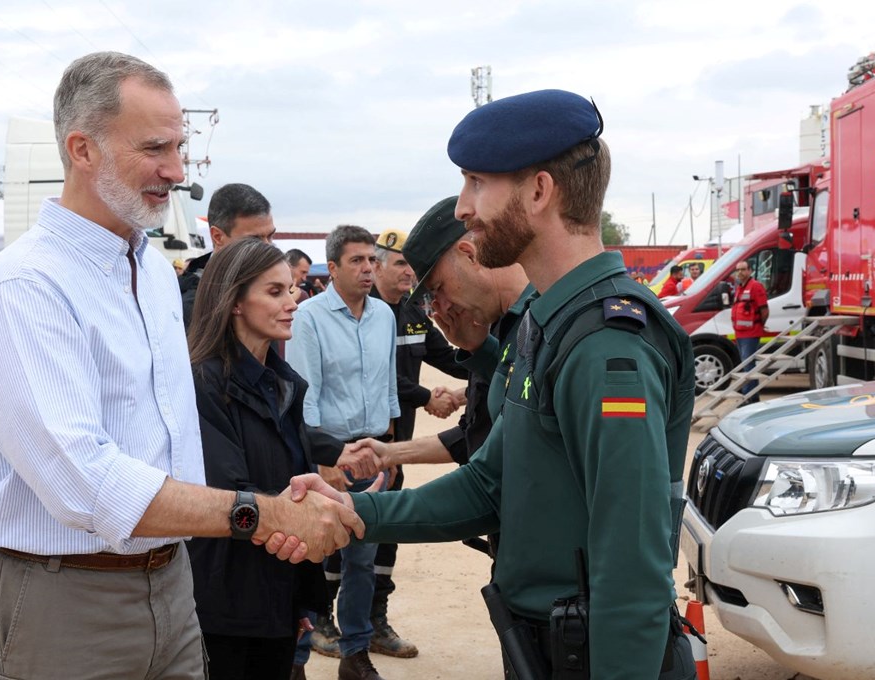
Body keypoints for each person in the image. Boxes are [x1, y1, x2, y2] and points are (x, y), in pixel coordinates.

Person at [0, 51, 362, 680]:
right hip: (65, 602)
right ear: (82, 150)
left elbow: (178, 440)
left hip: (173, 584)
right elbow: (88, 483)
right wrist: (263, 513)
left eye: (179, 147)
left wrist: (282, 494)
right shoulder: (28, 286)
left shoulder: (152, 271)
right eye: (155, 148)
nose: (176, 171)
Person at [285, 89, 697, 680]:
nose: (462, 207)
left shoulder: (608, 344)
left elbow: (631, 567)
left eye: (477, 182)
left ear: (539, 191)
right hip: (546, 646)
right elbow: (487, 485)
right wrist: (352, 508)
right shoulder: (549, 324)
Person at [187, 237, 369, 679]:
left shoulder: (282, 385)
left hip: (277, 595)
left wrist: (298, 595)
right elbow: (228, 494)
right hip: (226, 605)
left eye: (290, 289)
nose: (292, 302)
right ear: (234, 302)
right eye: (275, 292)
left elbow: (292, 479)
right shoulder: (203, 384)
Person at [287, 224, 399, 680]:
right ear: (331, 268)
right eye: (357, 260)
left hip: (372, 455)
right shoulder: (308, 317)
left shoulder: (384, 315)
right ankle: (296, 660)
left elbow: (388, 385)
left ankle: (355, 653)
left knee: (362, 563)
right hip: (328, 456)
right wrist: (323, 460)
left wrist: (390, 450)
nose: (368, 268)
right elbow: (304, 396)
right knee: (310, 557)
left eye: (372, 259)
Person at [350, 196, 532, 471]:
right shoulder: (362, 313)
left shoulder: (531, 325)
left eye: (438, 287)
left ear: (470, 255)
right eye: (399, 264)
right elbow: (474, 437)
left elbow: (484, 463)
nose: (440, 306)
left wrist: (475, 355)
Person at [366, 227, 469, 660]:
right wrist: (429, 397)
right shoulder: (363, 312)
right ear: (376, 267)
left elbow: (446, 357)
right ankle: (323, 619)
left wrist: (490, 365)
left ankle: (375, 620)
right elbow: (378, 377)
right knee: (348, 531)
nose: (410, 272)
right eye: (400, 264)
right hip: (362, 443)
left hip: (397, 444)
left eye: (411, 264)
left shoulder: (412, 311)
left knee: (386, 531)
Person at [179, 183, 277, 324]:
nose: (267, 248)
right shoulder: (190, 305)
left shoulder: (275, 285)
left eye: (270, 236)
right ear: (218, 237)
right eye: (254, 240)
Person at [731, 260, 768, 404]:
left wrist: (759, 325)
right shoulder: (740, 287)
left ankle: (749, 398)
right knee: (746, 366)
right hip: (740, 333)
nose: (740, 272)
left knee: (749, 367)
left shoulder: (755, 286)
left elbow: (764, 310)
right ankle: (752, 397)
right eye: (738, 270)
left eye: (743, 269)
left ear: (750, 271)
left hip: (751, 333)